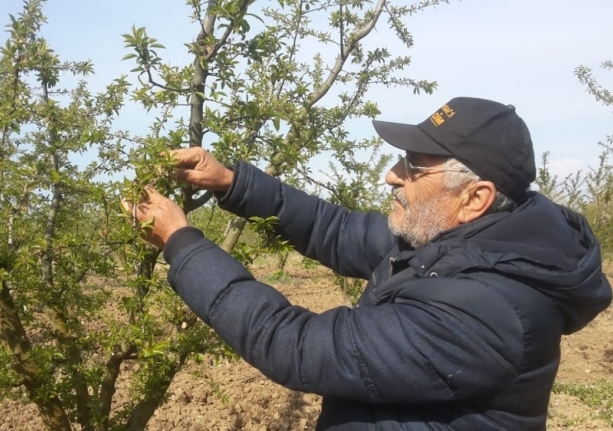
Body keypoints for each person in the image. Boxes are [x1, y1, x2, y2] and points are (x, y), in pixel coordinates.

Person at [122, 97, 612, 430]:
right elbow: (331, 229)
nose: (390, 176)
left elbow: (297, 346)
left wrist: (180, 242)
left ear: (474, 197)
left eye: (413, 167)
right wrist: (231, 182)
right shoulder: (458, 241)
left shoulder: (484, 310)